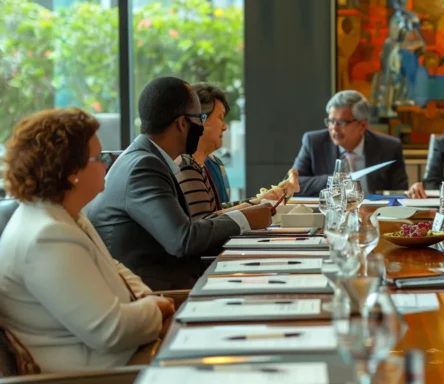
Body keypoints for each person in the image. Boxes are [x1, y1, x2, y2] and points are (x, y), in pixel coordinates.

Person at [0, 109, 174, 372]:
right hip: (106, 373)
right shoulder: (47, 237)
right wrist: (154, 308)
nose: (107, 163)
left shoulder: (62, 216)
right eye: (99, 157)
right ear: (72, 171)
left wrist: (144, 297)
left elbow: (114, 267)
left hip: (128, 358)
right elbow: (110, 332)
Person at [88, 77, 274, 290]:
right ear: (182, 123)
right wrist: (245, 219)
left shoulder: (148, 159)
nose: (201, 127)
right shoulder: (144, 166)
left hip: (170, 285)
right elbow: (183, 239)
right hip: (159, 295)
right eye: (199, 118)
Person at [176, 83, 296, 218]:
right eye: (221, 118)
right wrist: (252, 206)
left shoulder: (215, 164)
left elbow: (219, 209)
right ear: (199, 119)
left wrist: (258, 201)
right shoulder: (184, 166)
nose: (224, 127)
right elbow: (205, 222)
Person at [292, 90, 408, 196]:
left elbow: (400, 192)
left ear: (362, 125)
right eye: (331, 121)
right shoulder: (314, 142)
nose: (334, 128)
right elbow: (293, 184)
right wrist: (334, 180)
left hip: (374, 214)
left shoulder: (389, 147)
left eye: (342, 122)